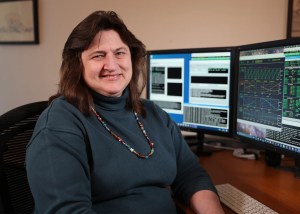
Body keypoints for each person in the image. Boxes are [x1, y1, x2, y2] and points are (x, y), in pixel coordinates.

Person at [26, 11, 224, 214]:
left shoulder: (152, 113)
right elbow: (66, 210)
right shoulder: (60, 124)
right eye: (98, 55)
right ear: (77, 65)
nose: (111, 65)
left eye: (120, 53)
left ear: (132, 58)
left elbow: (191, 174)